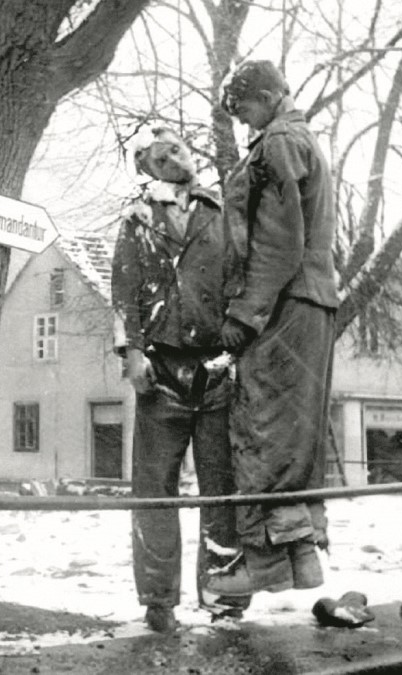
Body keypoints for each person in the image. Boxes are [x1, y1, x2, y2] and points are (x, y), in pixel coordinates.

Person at [111, 125, 251, 633]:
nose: (175, 159)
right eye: (161, 157)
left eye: (178, 149)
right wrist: (131, 352)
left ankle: (225, 598)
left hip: (217, 369)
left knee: (222, 489)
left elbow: (244, 278)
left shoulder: (222, 211)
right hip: (162, 369)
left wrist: (240, 342)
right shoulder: (138, 219)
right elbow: (123, 288)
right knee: (155, 490)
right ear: (147, 169)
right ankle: (158, 600)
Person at [206, 60, 339, 597]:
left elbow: (279, 241)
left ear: (264, 97)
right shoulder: (300, 140)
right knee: (294, 435)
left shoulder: (279, 142)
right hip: (310, 300)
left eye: (242, 110)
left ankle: (264, 565)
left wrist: (244, 314)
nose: (242, 122)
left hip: (284, 303)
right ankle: (299, 560)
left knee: (263, 426)